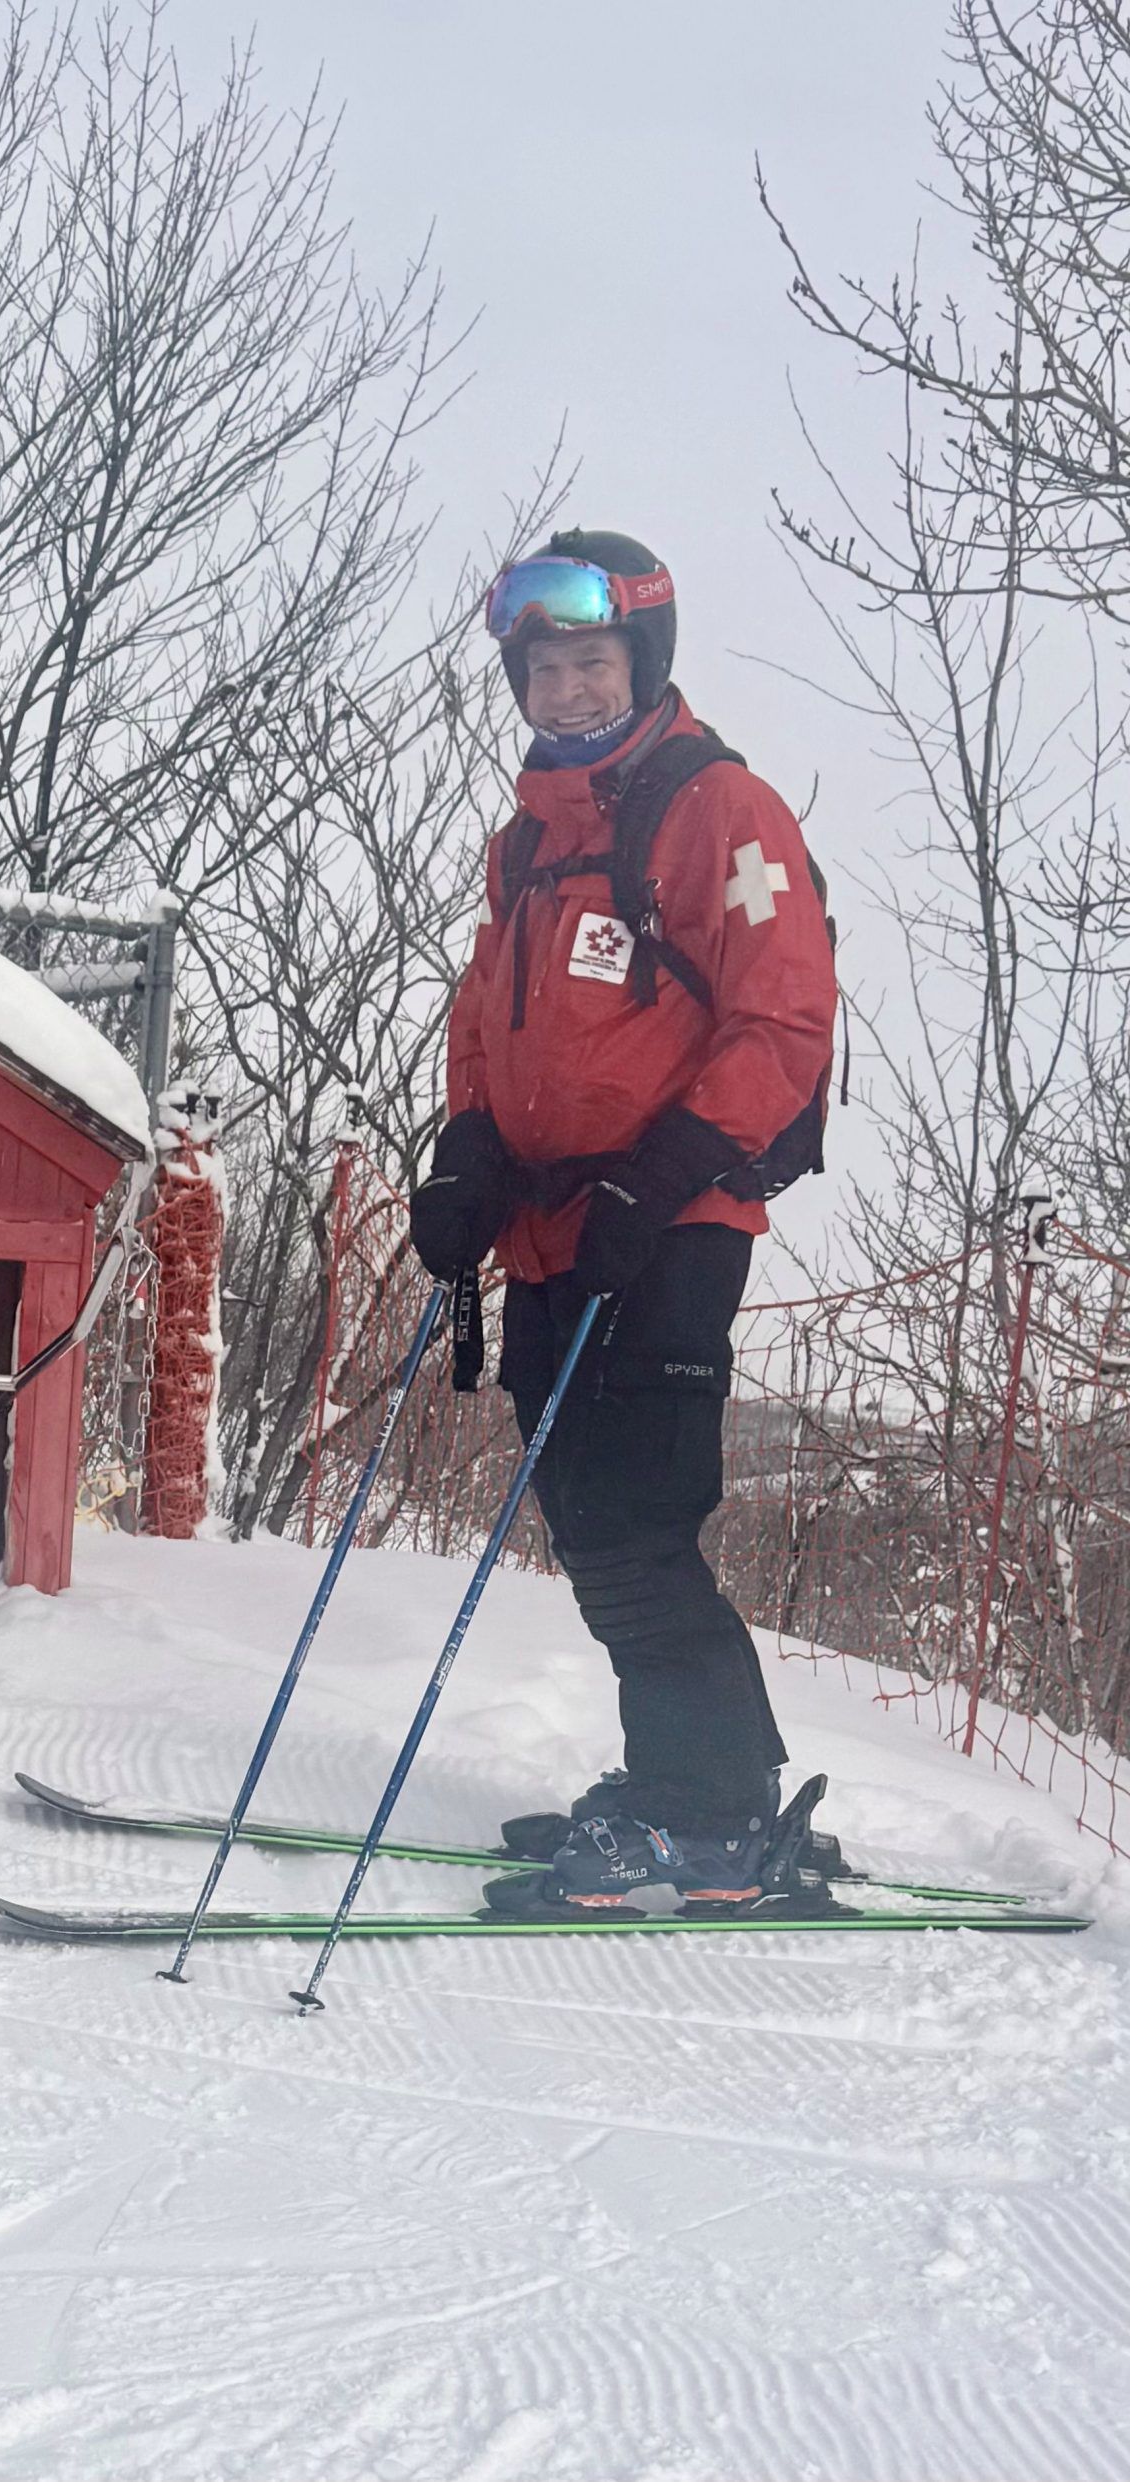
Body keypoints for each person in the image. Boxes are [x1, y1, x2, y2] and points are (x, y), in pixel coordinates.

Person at [407, 528, 837, 1911]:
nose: (568, 687)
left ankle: (712, 1816)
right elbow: (487, 1022)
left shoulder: (717, 808)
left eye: (592, 659)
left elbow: (784, 1017)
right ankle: (676, 1781)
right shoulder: (525, 843)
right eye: (544, 666)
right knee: (589, 1521)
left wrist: (660, 1182)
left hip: (670, 1219)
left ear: (641, 660)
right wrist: (467, 1150)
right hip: (548, 1233)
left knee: (643, 1520)